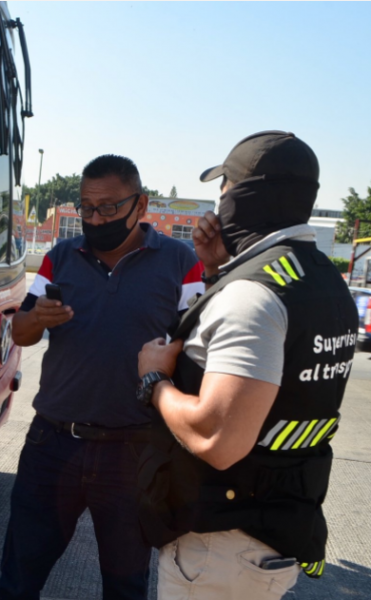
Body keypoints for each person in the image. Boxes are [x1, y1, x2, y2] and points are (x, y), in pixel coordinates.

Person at [137, 131, 358, 600]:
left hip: (221, 547)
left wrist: (154, 380)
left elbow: (218, 440)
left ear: (245, 195)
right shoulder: (320, 279)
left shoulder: (253, 296)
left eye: (224, 191)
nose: (218, 208)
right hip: (268, 530)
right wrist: (220, 269)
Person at [0, 155, 204, 600]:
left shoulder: (180, 261)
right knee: (18, 577)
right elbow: (21, 330)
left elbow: (198, 345)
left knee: (126, 584)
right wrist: (41, 320)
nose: (95, 218)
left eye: (108, 208)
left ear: (141, 205)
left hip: (134, 451)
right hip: (52, 446)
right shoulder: (59, 257)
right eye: (86, 208)